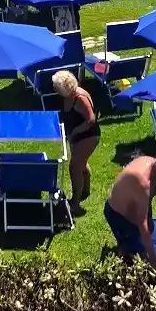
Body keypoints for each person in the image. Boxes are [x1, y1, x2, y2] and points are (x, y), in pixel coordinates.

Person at [104, 150, 156, 265]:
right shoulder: (143, 182)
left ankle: (128, 248)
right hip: (117, 215)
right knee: (140, 259)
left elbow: (147, 203)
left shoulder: (151, 162)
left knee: (146, 237)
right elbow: (142, 224)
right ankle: (122, 256)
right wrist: (153, 260)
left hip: (130, 207)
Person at [52, 70, 100, 216]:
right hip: (77, 136)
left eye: (56, 87)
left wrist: (75, 132)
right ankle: (85, 190)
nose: (54, 89)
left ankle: (76, 203)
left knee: (75, 167)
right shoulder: (68, 96)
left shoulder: (80, 98)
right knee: (82, 163)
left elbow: (91, 120)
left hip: (88, 136)